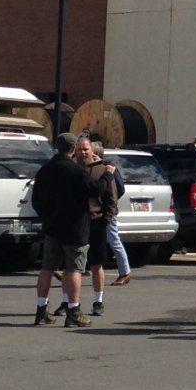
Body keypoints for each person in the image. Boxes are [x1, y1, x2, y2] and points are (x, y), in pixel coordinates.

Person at [29, 133, 91, 328]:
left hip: (52, 227)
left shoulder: (45, 170)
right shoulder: (75, 170)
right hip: (74, 228)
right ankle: (73, 310)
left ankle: (41, 309)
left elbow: (36, 200)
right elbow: (94, 190)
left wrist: (47, 216)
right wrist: (106, 174)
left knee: (47, 267)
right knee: (73, 268)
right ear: (73, 149)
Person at [79, 135, 119, 318]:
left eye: (85, 149)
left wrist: (105, 219)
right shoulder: (72, 169)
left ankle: (98, 301)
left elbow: (112, 198)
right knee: (74, 266)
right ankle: (70, 302)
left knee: (96, 265)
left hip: (96, 223)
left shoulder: (103, 170)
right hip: (76, 223)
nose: (82, 152)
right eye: (79, 149)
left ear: (92, 151)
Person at [89, 137, 134, 290]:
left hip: (107, 212)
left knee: (113, 239)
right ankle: (77, 270)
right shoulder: (88, 168)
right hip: (92, 212)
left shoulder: (108, 168)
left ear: (97, 154)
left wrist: (107, 202)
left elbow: (119, 189)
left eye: (90, 152)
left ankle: (125, 272)